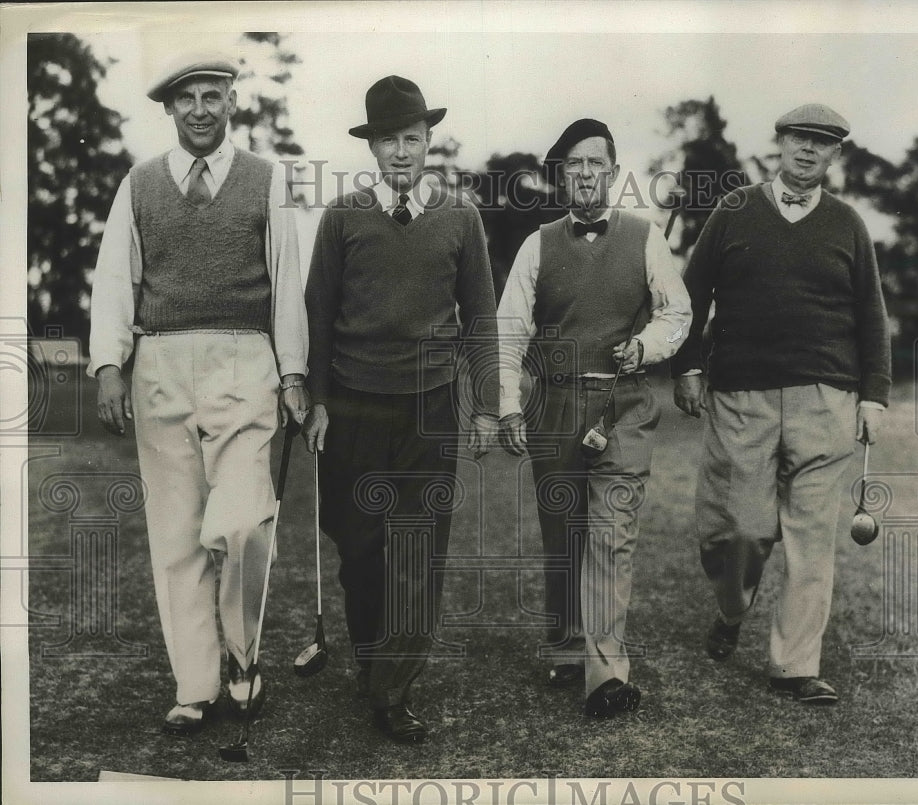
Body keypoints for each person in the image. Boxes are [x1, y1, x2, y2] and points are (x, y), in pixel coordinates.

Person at [88, 52, 309, 735]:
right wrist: (108, 366)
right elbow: (115, 281)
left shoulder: (265, 181)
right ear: (170, 109)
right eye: (188, 100)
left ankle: (243, 657)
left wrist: (295, 370)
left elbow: (287, 282)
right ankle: (197, 682)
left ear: (231, 101)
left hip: (245, 362)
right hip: (159, 364)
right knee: (177, 535)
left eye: (213, 95)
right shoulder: (141, 184)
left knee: (242, 521)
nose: (202, 110)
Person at [301, 75, 498, 743]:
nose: (401, 152)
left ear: (428, 141)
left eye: (411, 138)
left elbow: (482, 317)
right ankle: (370, 655)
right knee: (359, 550)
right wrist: (319, 402)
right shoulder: (342, 216)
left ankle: (393, 688)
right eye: (388, 140)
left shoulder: (462, 217)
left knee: (417, 551)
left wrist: (486, 406)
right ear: (372, 147)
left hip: (431, 409)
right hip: (354, 405)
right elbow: (318, 316)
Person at [672, 104, 891, 704]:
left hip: (828, 397)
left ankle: (795, 666)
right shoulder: (734, 210)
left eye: (821, 143)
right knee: (739, 527)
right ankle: (731, 607)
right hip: (743, 392)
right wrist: (688, 365)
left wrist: (873, 396)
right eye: (799, 138)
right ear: (781, 142)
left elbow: (871, 316)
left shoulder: (848, 224)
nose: (807, 150)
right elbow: (691, 296)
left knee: (811, 537)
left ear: (834, 155)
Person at [496, 119, 691, 718]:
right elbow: (507, 332)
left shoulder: (644, 237)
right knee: (565, 534)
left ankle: (605, 673)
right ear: (562, 175)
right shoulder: (538, 244)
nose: (585, 174)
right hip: (554, 406)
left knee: (610, 537)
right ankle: (563, 642)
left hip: (624, 405)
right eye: (574, 165)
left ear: (612, 171)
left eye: (596, 164)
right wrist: (506, 403)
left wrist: (646, 347)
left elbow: (676, 313)